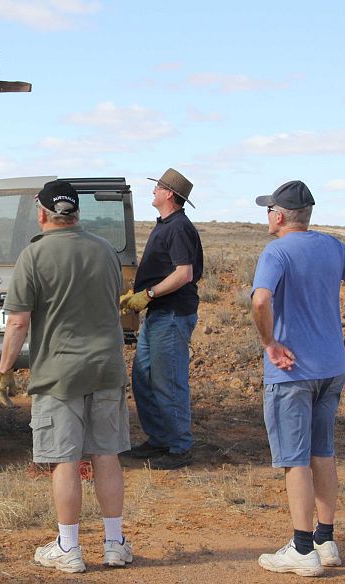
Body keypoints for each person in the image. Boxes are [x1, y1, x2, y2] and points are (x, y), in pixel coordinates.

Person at [250, 180, 345, 577]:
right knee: (322, 452)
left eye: (268, 210)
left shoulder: (276, 251)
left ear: (278, 215)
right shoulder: (332, 246)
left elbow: (260, 299)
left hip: (291, 371)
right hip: (331, 366)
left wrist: (270, 342)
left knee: (295, 460)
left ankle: (302, 547)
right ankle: (326, 539)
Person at [0, 180, 132, 573]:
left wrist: (4, 371)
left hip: (58, 373)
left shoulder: (33, 256)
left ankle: (69, 548)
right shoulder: (105, 251)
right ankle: (114, 543)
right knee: (107, 453)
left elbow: (19, 322)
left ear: (42, 213)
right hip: (106, 368)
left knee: (65, 459)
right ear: (76, 213)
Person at [120, 168, 203, 470]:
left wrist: (149, 295)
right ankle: (159, 439)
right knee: (143, 379)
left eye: (158, 188)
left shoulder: (179, 227)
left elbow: (184, 273)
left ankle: (180, 447)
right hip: (159, 315)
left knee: (168, 381)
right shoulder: (167, 225)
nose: (153, 192)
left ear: (169, 194)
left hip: (171, 315)